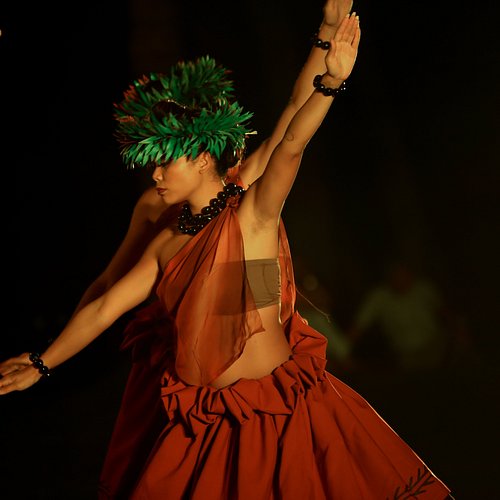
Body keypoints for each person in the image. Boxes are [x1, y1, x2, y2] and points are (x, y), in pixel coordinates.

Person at [0, 4, 453, 499]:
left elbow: (290, 138)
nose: (152, 175)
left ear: (199, 156)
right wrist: (43, 363)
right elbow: (106, 305)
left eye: (163, 162)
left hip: (277, 411)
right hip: (209, 420)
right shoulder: (165, 237)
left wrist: (330, 74)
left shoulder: (250, 209)